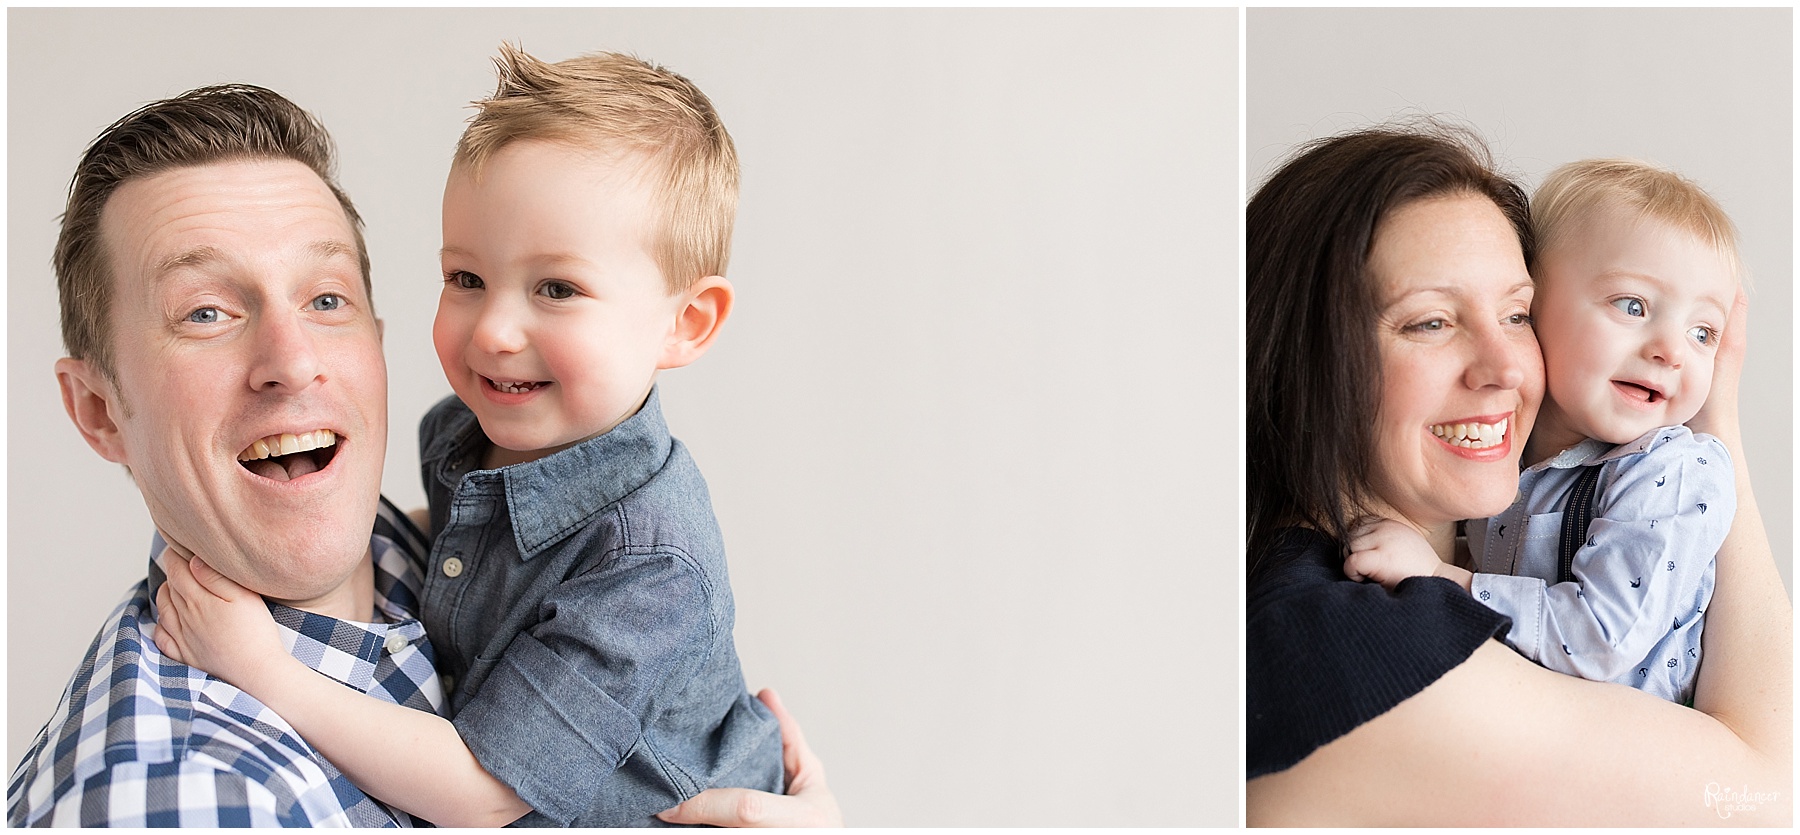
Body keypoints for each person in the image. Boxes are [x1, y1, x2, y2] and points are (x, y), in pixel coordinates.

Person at [11, 82, 839, 828]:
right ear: (97, 410)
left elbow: (484, 789)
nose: (295, 361)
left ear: (374, 338)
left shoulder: (619, 559)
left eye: (326, 297)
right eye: (205, 313)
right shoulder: (181, 796)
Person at [1246, 125, 1791, 824]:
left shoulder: (1338, 591)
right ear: (1304, 356)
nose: (1505, 366)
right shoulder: (1356, 648)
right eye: (1430, 323)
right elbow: (1767, 798)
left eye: (1516, 313)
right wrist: (1719, 434)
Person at [1342, 159, 1741, 704]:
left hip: (1625, 756)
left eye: (1703, 332)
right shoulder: (1511, 452)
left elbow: (1603, 639)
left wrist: (1441, 576)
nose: (1671, 351)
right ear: (1533, 308)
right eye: (1633, 305)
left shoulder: (1669, 471)